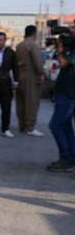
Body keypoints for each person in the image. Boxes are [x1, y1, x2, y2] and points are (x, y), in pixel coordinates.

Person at [47, 27, 75, 172]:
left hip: (68, 94)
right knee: (65, 126)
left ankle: (66, 158)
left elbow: (63, 62)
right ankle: (71, 157)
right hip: (66, 92)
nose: (72, 30)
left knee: (55, 125)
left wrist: (60, 48)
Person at [15, 25, 45, 137]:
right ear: (34, 33)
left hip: (20, 74)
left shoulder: (19, 45)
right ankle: (30, 127)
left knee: (21, 102)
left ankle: (22, 126)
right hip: (31, 75)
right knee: (31, 102)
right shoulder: (33, 45)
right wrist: (41, 73)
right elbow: (37, 61)